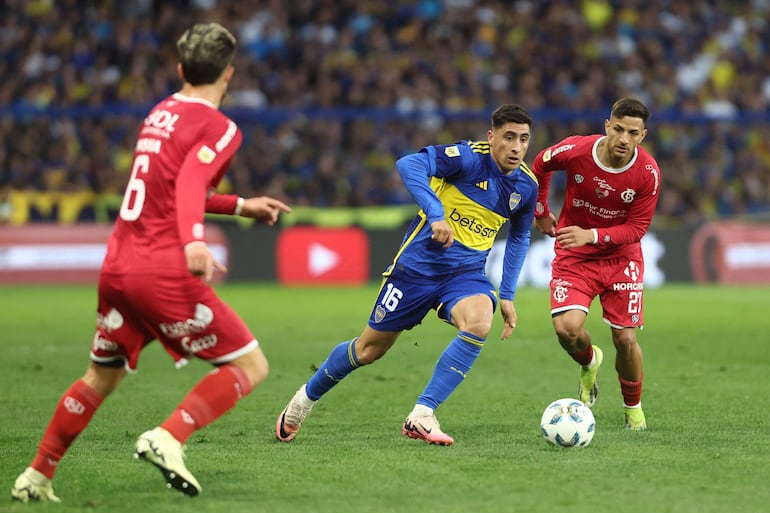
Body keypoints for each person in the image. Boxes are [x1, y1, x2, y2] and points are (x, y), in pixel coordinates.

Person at [11, 23, 291, 503]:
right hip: (160, 268)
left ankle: (36, 475)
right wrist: (194, 242)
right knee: (251, 364)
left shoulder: (159, 113)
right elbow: (188, 187)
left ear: (181, 69)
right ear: (230, 73)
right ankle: (168, 437)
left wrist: (243, 206)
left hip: (119, 265)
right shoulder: (221, 127)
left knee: (101, 374)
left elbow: (174, 189)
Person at [275, 104, 537, 446]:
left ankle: (422, 414)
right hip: (417, 269)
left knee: (478, 321)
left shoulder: (525, 186)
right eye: (509, 138)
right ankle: (302, 401)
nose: (516, 147)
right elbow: (409, 163)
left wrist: (507, 294)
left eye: (524, 139)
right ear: (491, 138)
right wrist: (436, 213)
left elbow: (520, 235)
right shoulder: (468, 159)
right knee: (368, 351)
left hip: (464, 274)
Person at [531, 97, 661, 431]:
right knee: (566, 329)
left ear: (642, 135)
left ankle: (633, 409)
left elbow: (637, 229)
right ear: (607, 125)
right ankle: (589, 362)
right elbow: (540, 164)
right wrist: (541, 211)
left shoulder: (647, 174)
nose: (623, 139)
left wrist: (592, 235)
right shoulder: (577, 150)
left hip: (621, 258)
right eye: (618, 129)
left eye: (632, 133)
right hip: (575, 256)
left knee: (625, 340)